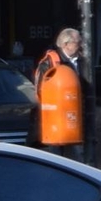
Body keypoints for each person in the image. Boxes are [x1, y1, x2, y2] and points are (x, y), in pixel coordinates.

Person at [34, 29, 86, 161]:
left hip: (77, 116)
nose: (81, 44)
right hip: (56, 118)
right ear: (66, 44)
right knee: (57, 158)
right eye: (77, 42)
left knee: (78, 157)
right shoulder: (50, 62)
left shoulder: (82, 61)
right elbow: (42, 89)